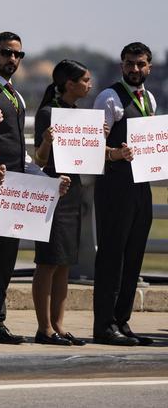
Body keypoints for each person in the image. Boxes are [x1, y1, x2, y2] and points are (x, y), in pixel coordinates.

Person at [0, 32, 68, 346]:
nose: (12, 60)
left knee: (6, 258)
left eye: (18, 55)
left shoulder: (16, 96)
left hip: (14, 187)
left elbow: (20, 148)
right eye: (7, 53)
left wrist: (41, 174)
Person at [92, 42, 158, 346]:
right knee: (111, 257)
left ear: (149, 67)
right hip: (115, 187)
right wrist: (116, 154)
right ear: (121, 65)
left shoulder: (150, 100)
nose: (135, 69)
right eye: (129, 64)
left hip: (141, 186)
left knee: (133, 257)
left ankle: (122, 320)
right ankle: (104, 325)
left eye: (140, 64)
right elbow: (92, 146)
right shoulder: (109, 98)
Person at [31, 59, 91, 346]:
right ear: (70, 84)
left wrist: (100, 143)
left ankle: (59, 324)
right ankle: (44, 328)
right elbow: (40, 160)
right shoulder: (47, 113)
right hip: (53, 189)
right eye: (85, 80)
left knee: (65, 261)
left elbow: (86, 157)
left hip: (73, 190)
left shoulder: (77, 114)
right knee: (48, 261)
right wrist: (46, 141)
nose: (89, 85)